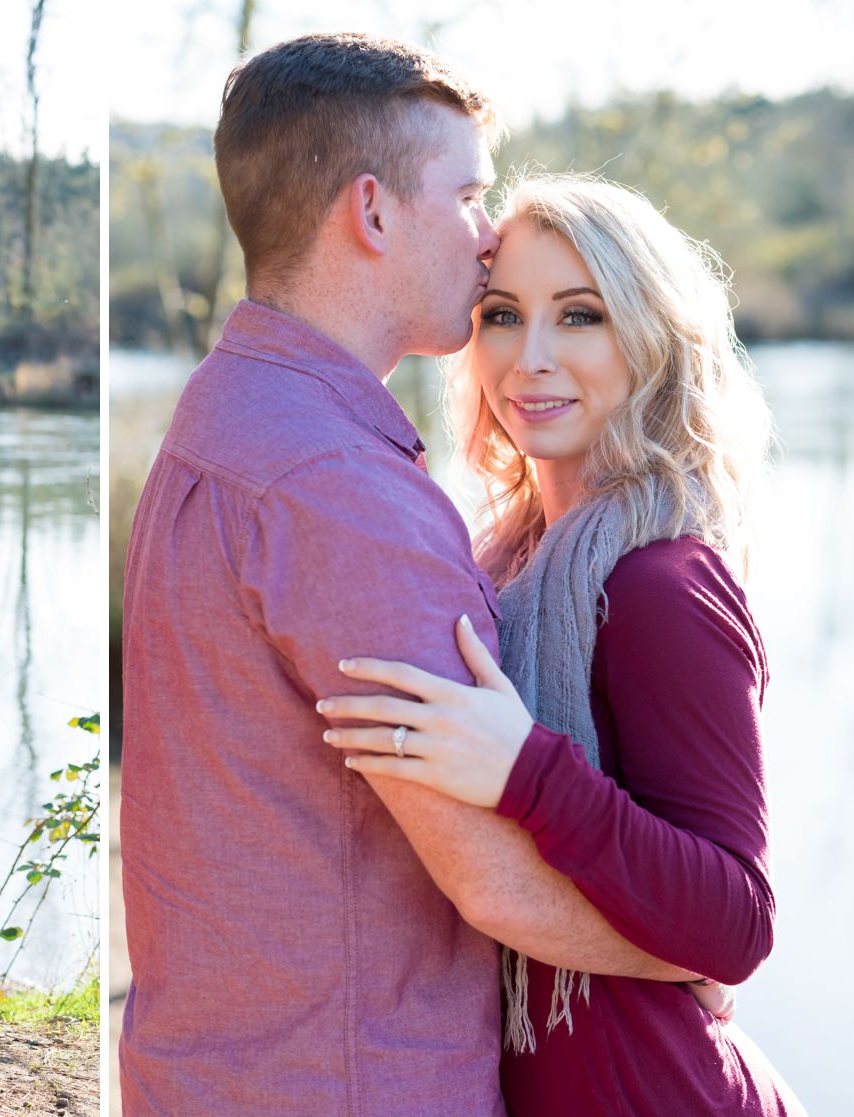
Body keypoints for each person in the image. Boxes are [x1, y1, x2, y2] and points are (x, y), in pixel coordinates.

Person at [119, 33, 711, 1116]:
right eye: (471, 195)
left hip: (208, 1067)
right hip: (347, 1082)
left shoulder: (229, 409)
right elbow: (493, 880)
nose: (488, 238)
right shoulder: (342, 491)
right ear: (374, 212)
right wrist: (691, 958)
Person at [318, 175, 804, 1115]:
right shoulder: (499, 568)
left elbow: (738, 921)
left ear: (651, 339)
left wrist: (524, 768)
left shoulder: (660, 585)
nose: (530, 358)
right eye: (502, 314)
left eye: (579, 316)